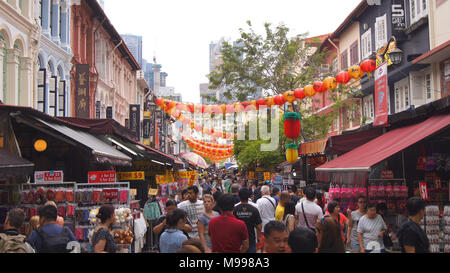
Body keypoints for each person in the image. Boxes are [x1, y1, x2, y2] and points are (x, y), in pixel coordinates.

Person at [233, 188, 262, 253]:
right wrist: (259, 236)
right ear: (248, 197)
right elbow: (259, 226)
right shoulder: (254, 209)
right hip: (251, 239)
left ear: (239, 197)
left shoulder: (235, 209)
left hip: (238, 240)